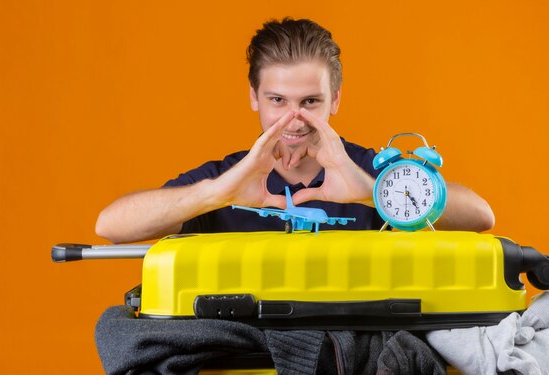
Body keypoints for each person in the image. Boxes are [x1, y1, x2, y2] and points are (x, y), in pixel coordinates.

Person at [96, 18, 494, 244]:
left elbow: (480, 215)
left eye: (309, 102)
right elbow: (110, 226)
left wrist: (370, 191)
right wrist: (219, 193)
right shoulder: (229, 177)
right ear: (254, 97)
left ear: (334, 100)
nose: (293, 119)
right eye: (277, 101)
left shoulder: (366, 170)